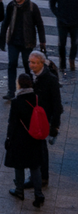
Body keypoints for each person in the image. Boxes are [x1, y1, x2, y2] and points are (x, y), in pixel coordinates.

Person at [0, 0, 46, 100]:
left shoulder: (32, 7)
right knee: (11, 65)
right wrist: (1, 39)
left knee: (28, 66)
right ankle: (11, 91)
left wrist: (42, 42)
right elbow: (5, 23)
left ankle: (30, 90)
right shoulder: (11, 6)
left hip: (27, 42)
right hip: (13, 41)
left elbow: (39, 25)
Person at [4, 74, 44, 207]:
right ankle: (39, 194)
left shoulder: (16, 102)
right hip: (35, 137)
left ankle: (19, 190)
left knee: (19, 165)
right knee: (35, 167)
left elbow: (12, 123)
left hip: (20, 138)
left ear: (19, 84)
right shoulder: (37, 98)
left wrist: (8, 138)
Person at [27, 50, 62, 190]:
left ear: (42, 63)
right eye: (30, 62)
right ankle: (38, 176)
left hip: (42, 119)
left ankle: (41, 177)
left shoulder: (50, 79)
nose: (31, 65)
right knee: (36, 148)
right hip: (34, 118)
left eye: (34, 63)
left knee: (40, 149)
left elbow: (57, 104)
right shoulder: (32, 75)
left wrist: (55, 126)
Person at [49, 0, 78, 71]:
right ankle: (62, 63)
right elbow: (52, 2)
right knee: (62, 43)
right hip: (62, 22)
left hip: (75, 22)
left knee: (75, 43)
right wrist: (58, 14)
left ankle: (72, 59)